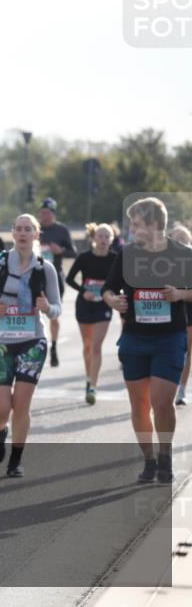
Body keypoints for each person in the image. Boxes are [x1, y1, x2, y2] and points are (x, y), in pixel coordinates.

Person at [103, 198, 192, 484]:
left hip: (170, 338)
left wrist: (180, 295)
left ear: (154, 225)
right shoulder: (127, 254)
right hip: (135, 339)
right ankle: (149, 461)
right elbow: (108, 288)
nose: (131, 229)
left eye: (136, 223)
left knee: (162, 402)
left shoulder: (181, 254)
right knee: (139, 405)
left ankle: (165, 456)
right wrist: (113, 301)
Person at [0, 214, 62, 478]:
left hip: (32, 342)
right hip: (0, 342)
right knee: (1, 409)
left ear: (36, 235)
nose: (23, 233)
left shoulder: (44, 268)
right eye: (19, 229)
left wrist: (47, 307)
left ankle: (16, 459)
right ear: (12, 233)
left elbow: (57, 308)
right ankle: (0, 430)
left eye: (29, 229)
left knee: (21, 405)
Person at [65, 223, 117, 405]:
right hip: (85, 305)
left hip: (104, 304)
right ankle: (89, 378)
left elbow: (122, 281)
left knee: (96, 346)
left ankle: (93, 387)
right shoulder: (84, 257)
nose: (103, 240)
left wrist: (111, 294)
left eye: (107, 236)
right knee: (87, 345)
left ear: (112, 239)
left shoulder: (115, 259)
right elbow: (69, 279)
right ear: (94, 238)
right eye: (100, 236)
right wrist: (83, 291)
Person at [38, 198, 77, 367]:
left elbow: (73, 252)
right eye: (42, 213)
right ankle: (36, 345)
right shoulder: (35, 229)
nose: (43, 216)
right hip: (36, 277)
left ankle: (53, 347)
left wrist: (60, 250)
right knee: (33, 312)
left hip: (55, 277)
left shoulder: (61, 230)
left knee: (54, 313)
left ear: (53, 214)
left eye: (47, 213)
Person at [171, 225, 192, 406]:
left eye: (184, 239)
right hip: (170, 311)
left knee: (186, 351)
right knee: (172, 351)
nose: (181, 242)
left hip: (190, 309)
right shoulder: (162, 262)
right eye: (177, 239)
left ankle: (182, 389)